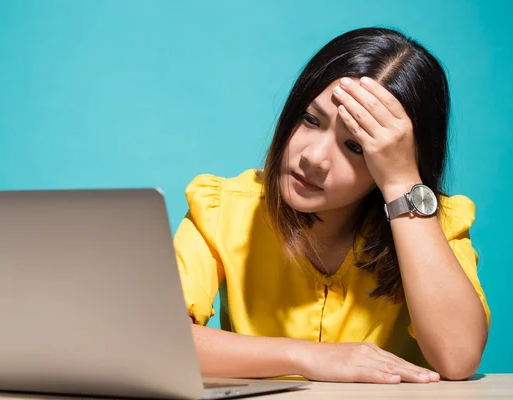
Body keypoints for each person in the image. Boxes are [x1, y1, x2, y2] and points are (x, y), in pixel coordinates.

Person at [172, 27, 490, 383]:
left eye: (355, 146)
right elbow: (156, 337)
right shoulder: (221, 208)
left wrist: (401, 182)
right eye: (310, 120)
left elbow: (458, 358)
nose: (314, 158)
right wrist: (308, 357)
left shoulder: (429, 223)